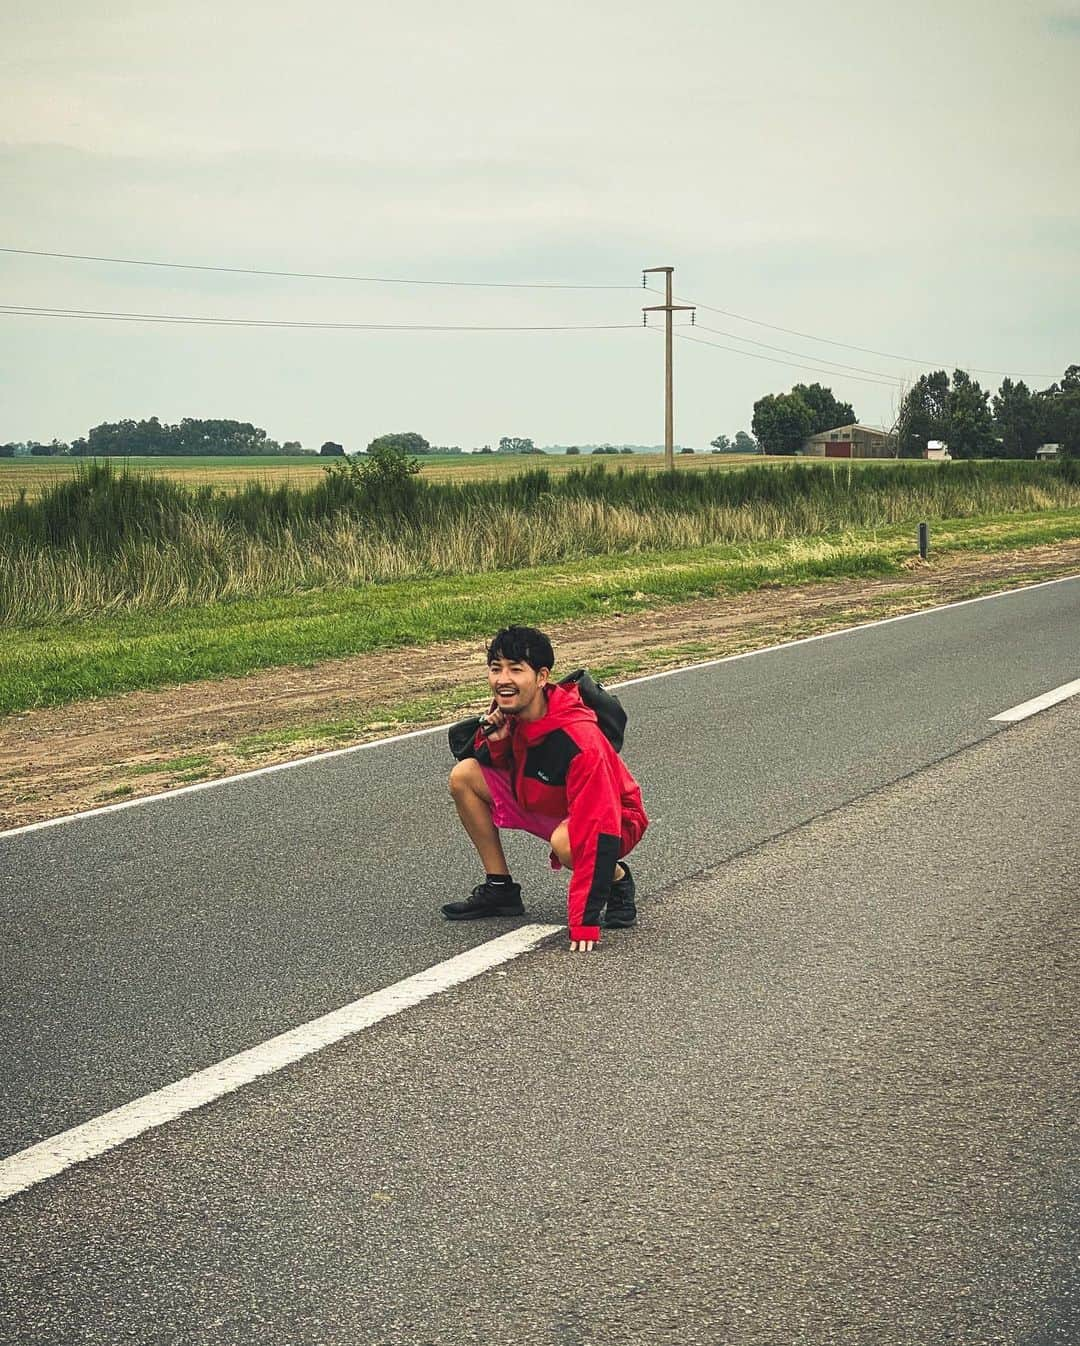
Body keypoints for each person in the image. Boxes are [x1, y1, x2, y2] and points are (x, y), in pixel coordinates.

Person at [443, 625, 648, 953]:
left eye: (515, 669)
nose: (503, 679)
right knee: (464, 776)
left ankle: (618, 879)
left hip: (615, 816)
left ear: (542, 677)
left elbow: (598, 825)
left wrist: (584, 920)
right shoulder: (513, 710)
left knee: (567, 843)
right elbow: (523, 764)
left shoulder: (582, 739)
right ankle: (500, 889)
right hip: (549, 799)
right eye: (496, 669)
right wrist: (497, 744)